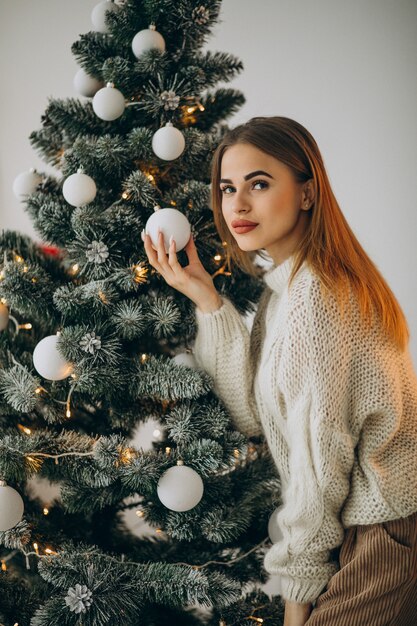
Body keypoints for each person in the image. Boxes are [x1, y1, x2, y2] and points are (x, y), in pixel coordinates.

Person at [142, 116, 417, 626]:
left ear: (307, 193)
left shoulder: (318, 300)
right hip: (366, 528)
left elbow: (318, 473)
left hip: (381, 534)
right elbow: (252, 413)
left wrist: (297, 597)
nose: (238, 205)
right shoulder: (288, 289)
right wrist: (207, 299)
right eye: (227, 189)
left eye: (259, 184)